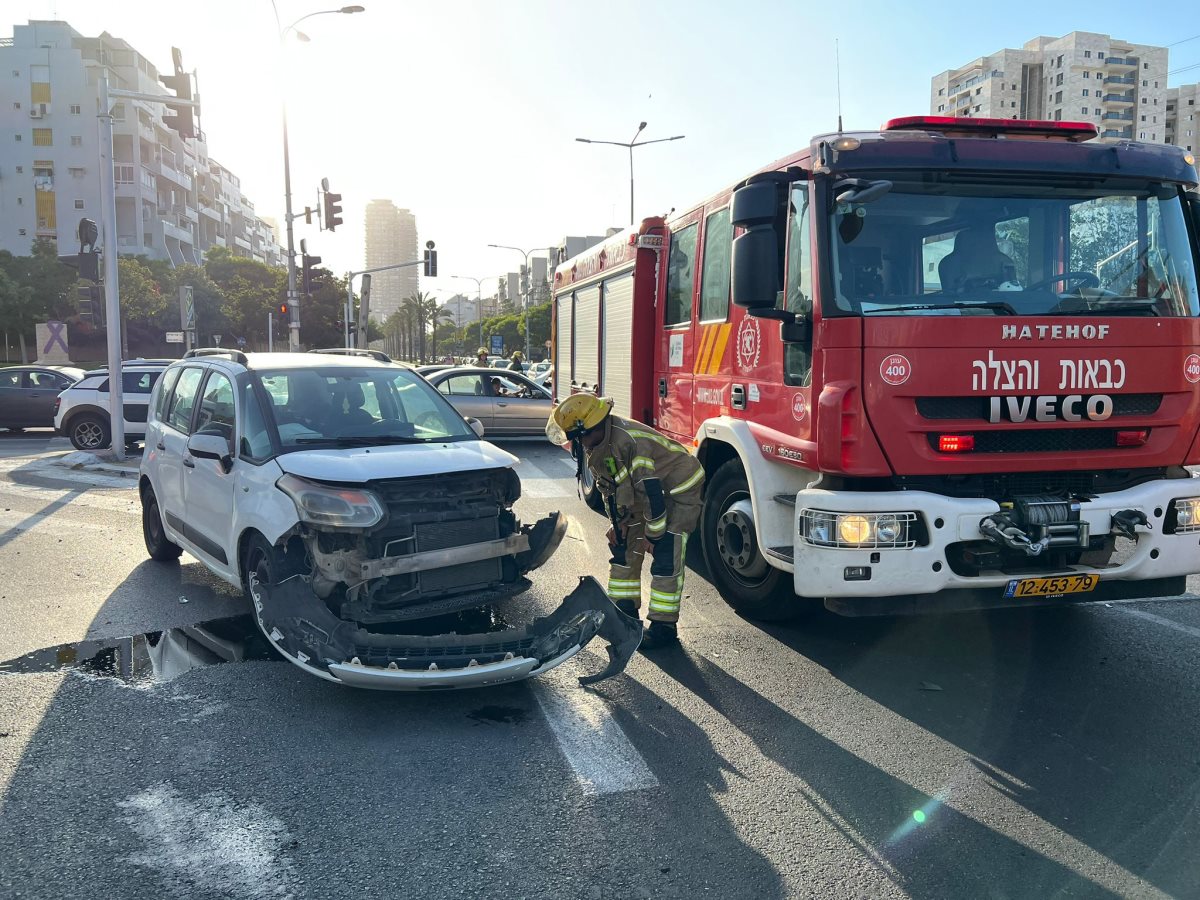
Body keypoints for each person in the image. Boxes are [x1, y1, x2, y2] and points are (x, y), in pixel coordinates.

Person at [548, 395, 705, 649]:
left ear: (592, 428)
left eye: (579, 437)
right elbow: (611, 489)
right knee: (623, 545)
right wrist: (618, 521)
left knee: (666, 553)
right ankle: (624, 613)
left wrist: (654, 536)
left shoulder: (630, 443)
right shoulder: (598, 444)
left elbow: (652, 497)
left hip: (678, 491)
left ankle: (663, 627)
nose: (578, 443)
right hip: (647, 491)